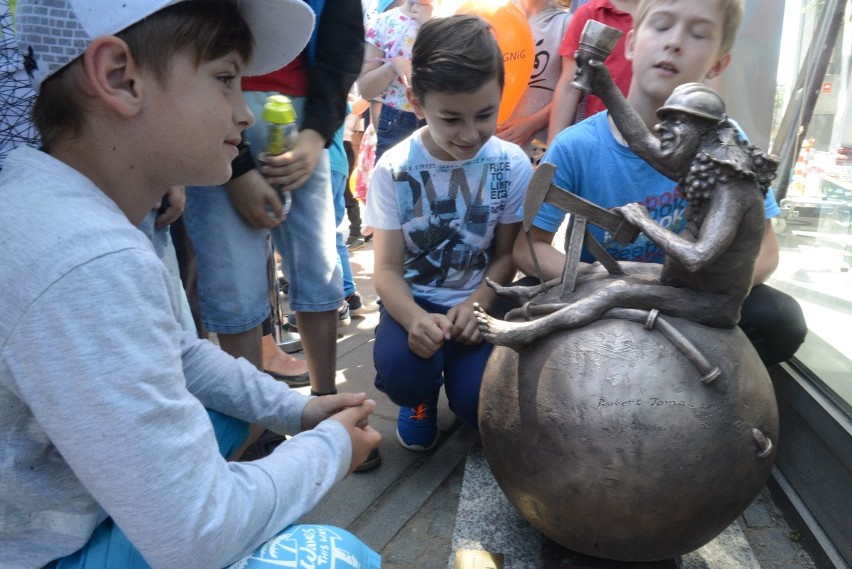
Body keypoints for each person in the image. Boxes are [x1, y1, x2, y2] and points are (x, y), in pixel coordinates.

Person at [0, 2, 382, 568]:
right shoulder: (87, 257)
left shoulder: (64, 205)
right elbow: (197, 536)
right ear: (120, 78)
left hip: (54, 504)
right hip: (44, 552)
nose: (244, 114)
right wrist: (330, 449)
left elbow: (176, 355)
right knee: (338, 558)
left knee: (222, 411)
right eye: (226, 80)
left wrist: (298, 412)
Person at [510, 0, 807, 367]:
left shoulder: (726, 149)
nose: (675, 43)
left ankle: (720, 392)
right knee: (511, 301)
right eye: (662, 26)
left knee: (778, 319)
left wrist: (682, 295)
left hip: (692, 297)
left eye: (698, 33)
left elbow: (766, 252)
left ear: (717, 64)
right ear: (631, 43)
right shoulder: (575, 145)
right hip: (605, 286)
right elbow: (529, 249)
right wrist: (599, 280)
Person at [365, 14, 532, 451]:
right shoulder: (394, 169)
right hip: (414, 300)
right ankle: (418, 400)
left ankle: (460, 382)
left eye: (485, 115)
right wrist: (414, 318)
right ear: (417, 104)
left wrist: (480, 303)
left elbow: (506, 254)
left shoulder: (511, 163)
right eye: (451, 119)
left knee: (481, 408)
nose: (470, 133)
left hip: (478, 299)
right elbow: (384, 270)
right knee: (404, 374)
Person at [182, 0, 363, 400]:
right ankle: (254, 419)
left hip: (303, 124)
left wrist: (316, 135)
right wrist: (238, 169)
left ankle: (326, 401)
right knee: (232, 281)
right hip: (214, 111)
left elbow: (343, 44)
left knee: (318, 269)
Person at [547, 0, 636, 142]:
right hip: (596, 139)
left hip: (648, 141)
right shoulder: (590, 12)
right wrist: (553, 151)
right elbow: (569, 87)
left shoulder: (663, 18)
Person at [357, 0, 435, 163]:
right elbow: (365, 89)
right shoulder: (384, 22)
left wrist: (431, 27)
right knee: (391, 185)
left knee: (437, 186)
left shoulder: (451, 20)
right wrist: (392, 66)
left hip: (440, 119)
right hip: (397, 119)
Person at [495, 0, 572, 163]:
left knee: (532, 187)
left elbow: (570, 91)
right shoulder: (494, 15)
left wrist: (532, 124)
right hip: (491, 143)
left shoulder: (566, 24)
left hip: (538, 145)